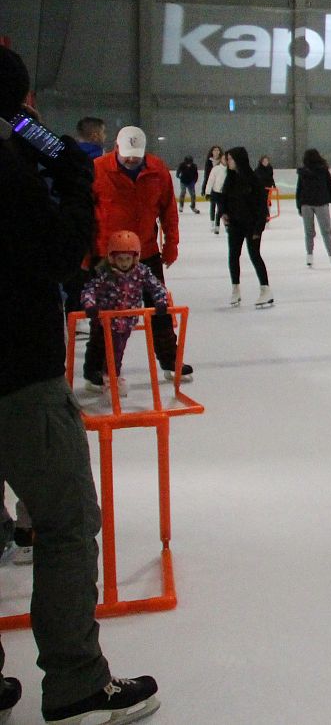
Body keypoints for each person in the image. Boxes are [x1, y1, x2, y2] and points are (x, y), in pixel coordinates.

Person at [0, 46, 162, 725]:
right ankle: (75, 685)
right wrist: (70, 180)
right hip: (17, 376)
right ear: (21, 103)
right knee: (66, 523)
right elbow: (60, 254)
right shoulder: (10, 166)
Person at [88, 126, 192, 385]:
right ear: (116, 148)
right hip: (107, 256)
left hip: (145, 251)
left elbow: (168, 211)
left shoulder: (157, 170)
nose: (132, 160)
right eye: (127, 156)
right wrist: (86, 253)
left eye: (136, 156)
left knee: (160, 308)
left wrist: (171, 244)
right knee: (104, 314)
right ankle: (97, 368)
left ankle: (170, 360)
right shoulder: (98, 169)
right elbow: (85, 213)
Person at [81, 230, 172, 392]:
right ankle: (94, 374)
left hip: (126, 320)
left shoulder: (141, 272)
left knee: (118, 350)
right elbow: (90, 290)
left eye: (127, 259)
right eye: (120, 259)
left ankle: (111, 376)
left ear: (135, 258)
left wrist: (161, 302)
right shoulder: (105, 273)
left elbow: (157, 287)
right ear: (112, 258)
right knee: (97, 346)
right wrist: (90, 305)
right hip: (104, 320)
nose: (124, 263)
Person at [219, 146, 272, 309]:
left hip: (252, 225)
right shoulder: (230, 179)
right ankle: (235, 289)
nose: (228, 162)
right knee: (233, 255)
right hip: (235, 225)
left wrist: (258, 228)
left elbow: (262, 206)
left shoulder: (254, 179)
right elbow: (223, 199)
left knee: (254, 255)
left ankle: (265, 289)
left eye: (230, 159)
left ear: (239, 160)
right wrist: (223, 212)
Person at [296, 148, 331, 269]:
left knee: (309, 232)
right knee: (326, 231)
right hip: (321, 203)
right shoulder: (323, 170)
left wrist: (299, 206)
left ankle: (309, 257)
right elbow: (330, 187)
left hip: (306, 204)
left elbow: (299, 190)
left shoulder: (304, 172)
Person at [203, 147, 228, 235]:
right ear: (221, 160)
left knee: (225, 210)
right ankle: (216, 225)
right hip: (216, 193)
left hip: (226, 193)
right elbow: (210, 181)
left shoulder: (230, 170)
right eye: (224, 159)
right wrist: (207, 192)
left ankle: (226, 225)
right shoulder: (216, 169)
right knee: (219, 209)